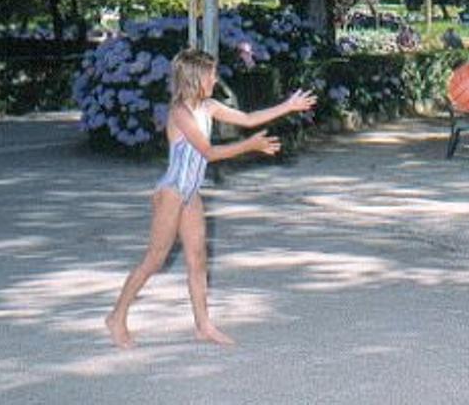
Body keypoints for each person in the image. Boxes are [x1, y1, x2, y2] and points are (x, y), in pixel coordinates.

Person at [105, 49, 317, 349]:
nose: (215, 79)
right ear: (196, 78)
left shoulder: (209, 106)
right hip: (171, 192)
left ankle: (203, 326)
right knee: (154, 260)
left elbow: (247, 119)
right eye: (211, 74)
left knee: (198, 260)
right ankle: (116, 317)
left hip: (190, 193)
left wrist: (288, 106)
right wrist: (249, 146)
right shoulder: (180, 112)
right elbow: (208, 152)